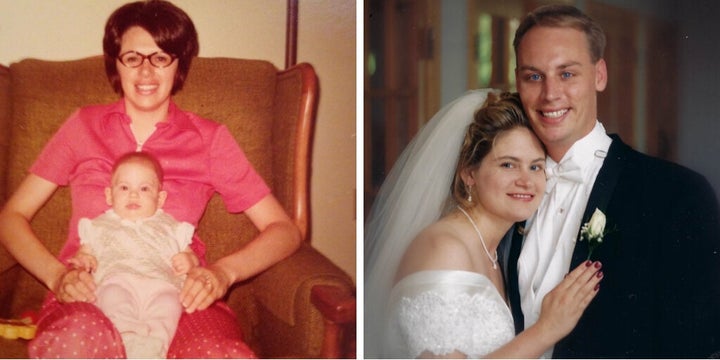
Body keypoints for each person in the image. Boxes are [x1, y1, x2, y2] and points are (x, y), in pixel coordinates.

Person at [0, 0, 301, 358]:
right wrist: (56, 276)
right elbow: (12, 216)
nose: (146, 72)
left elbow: (284, 230)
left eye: (160, 57)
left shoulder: (209, 138)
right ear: (116, 63)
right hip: (89, 292)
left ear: (179, 64)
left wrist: (224, 273)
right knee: (76, 342)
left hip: (179, 293)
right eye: (132, 58)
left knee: (215, 352)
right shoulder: (83, 126)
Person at [508, 4, 720, 358]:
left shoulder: (677, 194)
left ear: (600, 75)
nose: (550, 95)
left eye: (567, 74)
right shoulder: (505, 191)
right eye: (533, 76)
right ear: (517, 81)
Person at [365, 90, 604, 358]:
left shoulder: (496, 248)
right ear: (469, 173)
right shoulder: (445, 249)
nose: (526, 181)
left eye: (535, 167)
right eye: (508, 165)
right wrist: (547, 329)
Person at [68, 152, 199, 358]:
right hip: (118, 279)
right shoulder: (99, 225)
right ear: (110, 195)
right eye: (124, 187)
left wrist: (189, 261)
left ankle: (156, 348)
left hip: (162, 285)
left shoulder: (171, 226)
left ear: (160, 197)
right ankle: (125, 343)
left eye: (144, 188)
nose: (133, 195)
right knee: (114, 300)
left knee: (169, 307)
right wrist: (84, 261)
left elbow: (190, 254)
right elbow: (85, 252)